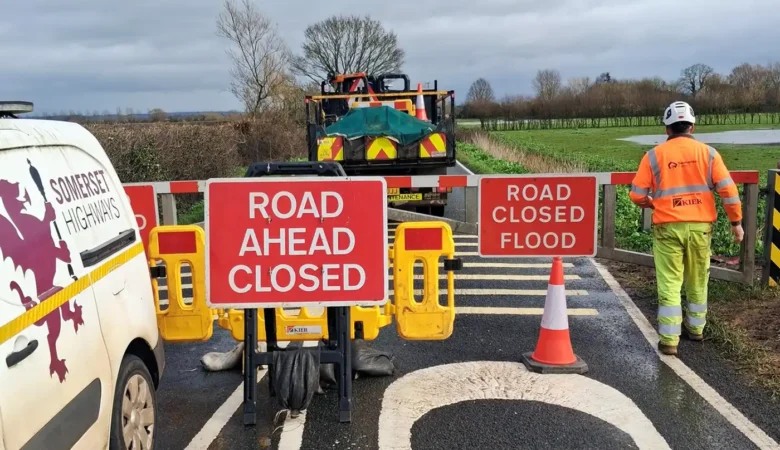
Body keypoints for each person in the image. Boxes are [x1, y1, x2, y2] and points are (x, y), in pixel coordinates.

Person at [629, 101, 744, 356]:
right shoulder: (709, 154)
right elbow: (729, 192)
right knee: (698, 277)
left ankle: (669, 340)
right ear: (692, 126)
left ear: (667, 129)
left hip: (667, 226)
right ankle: (696, 329)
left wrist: (653, 203)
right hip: (700, 227)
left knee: (669, 281)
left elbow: (636, 194)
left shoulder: (653, 156)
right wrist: (736, 223)